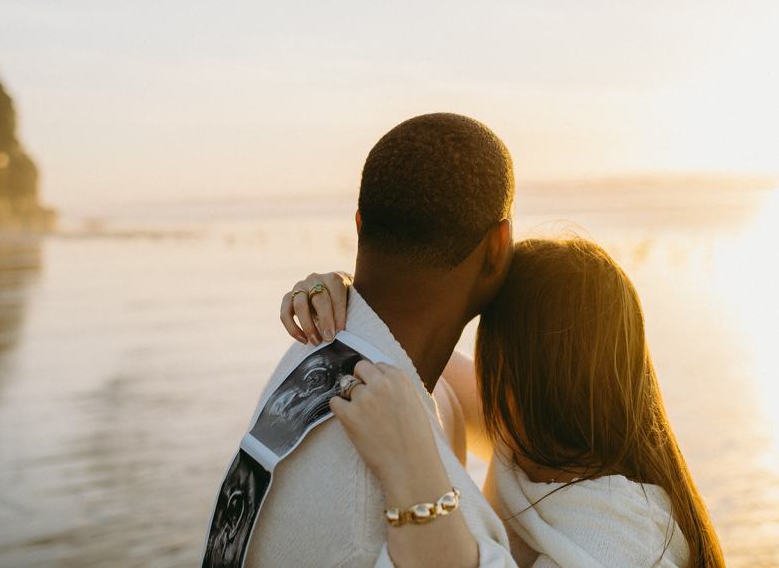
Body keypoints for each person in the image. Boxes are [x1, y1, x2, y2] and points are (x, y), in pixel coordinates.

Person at [284, 238, 727, 567]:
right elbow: (412, 349)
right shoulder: (536, 441)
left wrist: (410, 468)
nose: (481, 368)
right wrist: (344, 297)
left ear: (520, 374)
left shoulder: (623, 541)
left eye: (491, 355)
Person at [213, 113, 519, 567]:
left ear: (359, 224)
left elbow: (491, 410)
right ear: (498, 245)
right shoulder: (382, 518)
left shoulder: (319, 346)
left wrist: (346, 283)